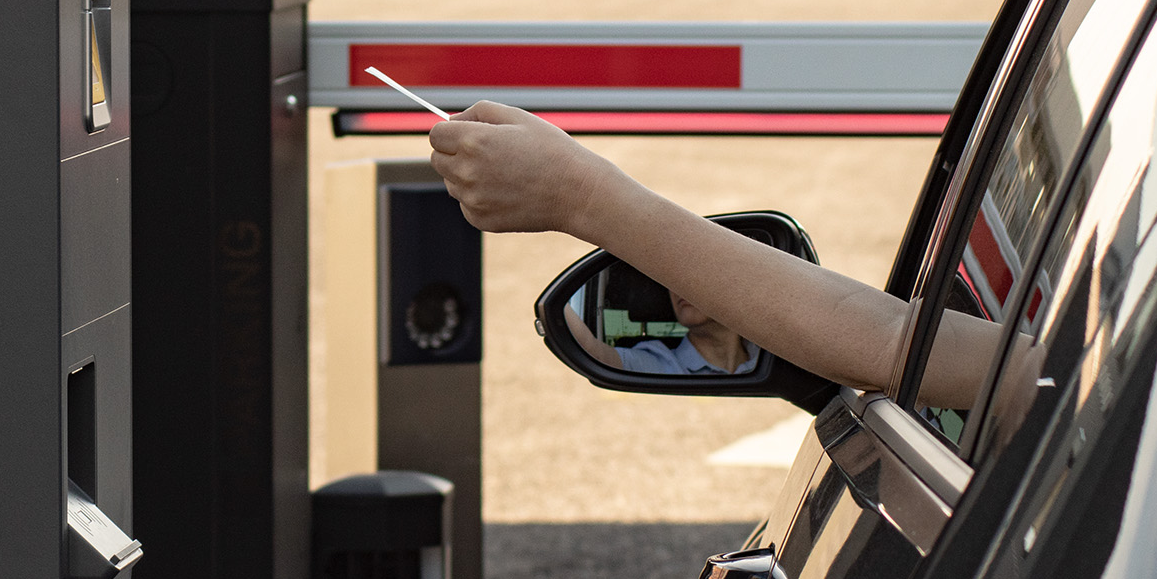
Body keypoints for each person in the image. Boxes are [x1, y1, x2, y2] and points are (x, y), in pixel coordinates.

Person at [427, 102, 1001, 405]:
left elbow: (892, 343)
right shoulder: (658, 356)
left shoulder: (1076, 369)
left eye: (703, 283)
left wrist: (582, 195)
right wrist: (579, 195)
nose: (688, 287)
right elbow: (894, 339)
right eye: (678, 284)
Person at [563, 286, 756, 375]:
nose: (679, 286)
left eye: (696, 273)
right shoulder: (656, 363)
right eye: (671, 278)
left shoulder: (771, 354)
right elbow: (590, 349)